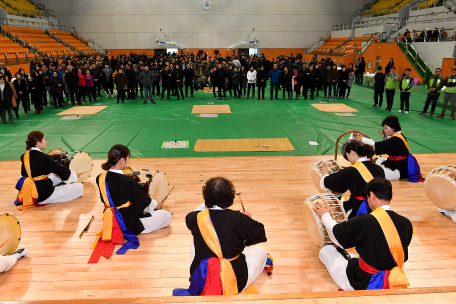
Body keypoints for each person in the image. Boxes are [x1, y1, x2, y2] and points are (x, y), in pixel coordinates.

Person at [314, 178, 413, 291]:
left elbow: (338, 235)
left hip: (363, 279)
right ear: (391, 196)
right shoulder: (406, 223)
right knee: (357, 256)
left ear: (372, 195)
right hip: (394, 278)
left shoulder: (365, 220)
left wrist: (325, 216)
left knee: (326, 251)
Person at [175, 177, 267, 296]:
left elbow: (195, 212)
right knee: (261, 251)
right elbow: (259, 234)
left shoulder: (194, 218)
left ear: (205, 198)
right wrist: (247, 221)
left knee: (195, 238)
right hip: (236, 281)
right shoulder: (239, 218)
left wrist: (210, 199)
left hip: (201, 279)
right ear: (231, 197)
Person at [89, 144, 172, 263]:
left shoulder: (99, 178)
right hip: (128, 223)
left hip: (110, 221)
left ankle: (117, 230)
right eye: (128, 158)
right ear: (122, 160)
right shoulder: (128, 181)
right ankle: (125, 231)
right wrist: (156, 204)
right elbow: (143, 202)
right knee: (166, 216)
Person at [14, 131, 84, 209]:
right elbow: (60, 170)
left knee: (55, 176)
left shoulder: (24, 156)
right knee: (79, 187)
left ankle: (66, 181)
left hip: (29, 190)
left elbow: (24, 173)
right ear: (38, 143)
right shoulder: (44, 158)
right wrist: (74, 175)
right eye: (44, 139)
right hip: (43, 194)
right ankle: (51, 196)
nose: (46, 141)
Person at [320, 141, 385, 218]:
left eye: (347, 155)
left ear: (352, 152)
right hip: (378, 208)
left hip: (357, 210)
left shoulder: (351, 171)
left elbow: (325, 185)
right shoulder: (379, 169)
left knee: (327, 207)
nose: (348, 159)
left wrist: (325, 174)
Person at [353, 116, 411, 181]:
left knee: (372, 171)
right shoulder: (399, 136)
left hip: (398, 171)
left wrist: (362, 139)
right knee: (378, 162)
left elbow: (376, 146)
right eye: (384, 128)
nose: (384, 130)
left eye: (386, 128)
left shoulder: (395, 140)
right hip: (397, 164)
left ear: (393, 128)